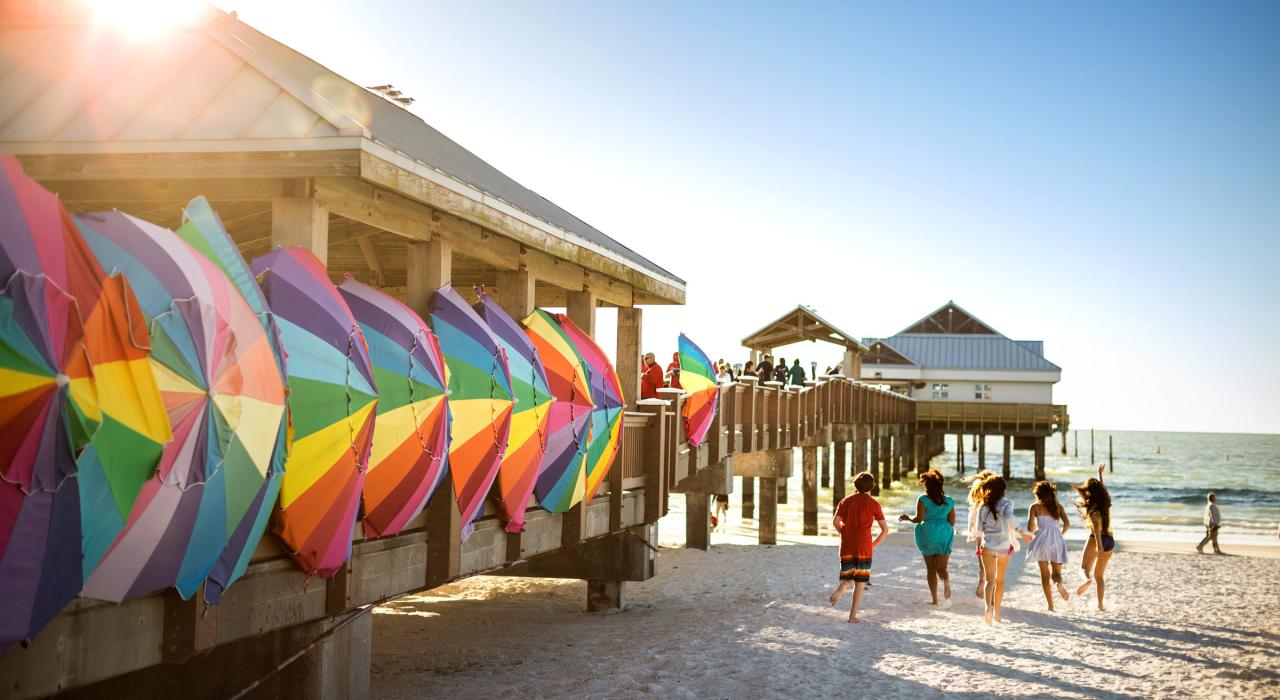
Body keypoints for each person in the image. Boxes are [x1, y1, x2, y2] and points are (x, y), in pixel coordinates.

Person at [829, 472, 888, 623]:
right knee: (860, 584)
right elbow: (884, 530)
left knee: (847, 577)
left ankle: (841, 588)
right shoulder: (874, 504)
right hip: (864, 547)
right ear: (872, 486)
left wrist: (844, 533)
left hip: (847, 545)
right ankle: (852, 617)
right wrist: (872, 545)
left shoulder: (846, 501)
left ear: (855, 485)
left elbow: (835, 521)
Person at [975, 475, 1032, 625]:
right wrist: (1022, 532)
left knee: (989, 580)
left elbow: (978, 530)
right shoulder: (1006, 503)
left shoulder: (982, 506)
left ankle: (988, 608)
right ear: (1003, 489)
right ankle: (997, 613)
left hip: (987, 546)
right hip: (1003, 547)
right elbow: (1010, 518)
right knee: (1000, 581)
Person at [898, 470, 955, 606]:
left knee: (931, 569)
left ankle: (935, 600)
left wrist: (908, 518)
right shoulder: (949, 500)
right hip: (944, 533)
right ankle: (946, 581)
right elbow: (952, 521)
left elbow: (919, 519)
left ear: (927, 486)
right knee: (941, 569)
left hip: (928, 533)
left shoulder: (923, 499)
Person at [1025, 481, 1071, 611]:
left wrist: (1035, 529)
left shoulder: (1034, 507)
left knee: (1045, 575)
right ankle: (1058, 584)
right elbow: (1067, 524)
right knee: (1056, 574)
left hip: (1041, 541)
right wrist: (1060, 534)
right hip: (1056, 540)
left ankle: (1050, 606)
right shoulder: (1058, 507)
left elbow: (1030, 528)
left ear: (1038, 494)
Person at [1075, 465, 1115, 611]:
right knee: (1100, 576)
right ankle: (1100, 605)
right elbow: (1102, 489)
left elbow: (1096, 528)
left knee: (1083, 568)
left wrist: (1099, 546)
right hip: (1110, 541)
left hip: (1097, 539)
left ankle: (1086, 580)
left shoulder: (1092, 509)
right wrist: (1099, 474)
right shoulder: (1106, 503)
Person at [966, 471, 996, 599]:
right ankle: (989, 586)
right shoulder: (993, 498)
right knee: (993, 563)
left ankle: (982, 581)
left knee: (982, 562)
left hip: (979, 535)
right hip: (992, 533)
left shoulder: (977, 498)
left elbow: (973, 522)